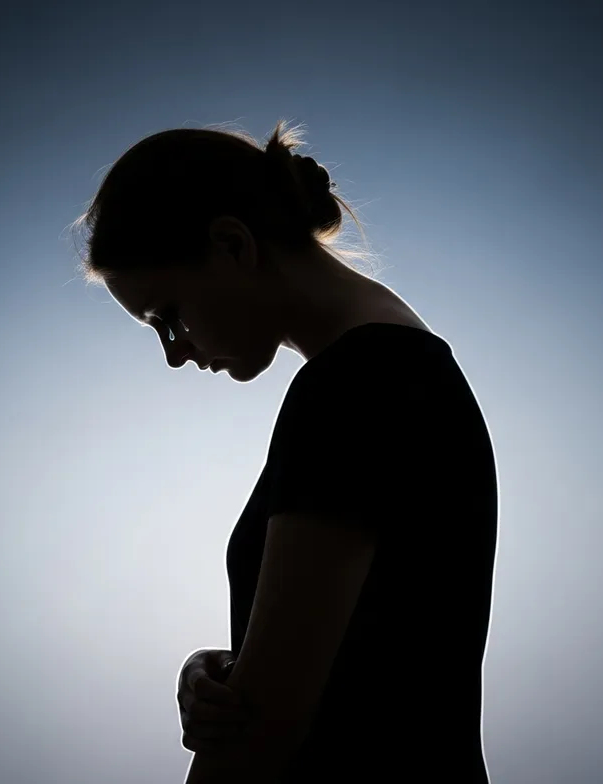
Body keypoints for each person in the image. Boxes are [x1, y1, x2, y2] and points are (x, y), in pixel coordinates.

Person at [70, 119, 498, 783]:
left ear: (232, 245)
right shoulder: (403, 375)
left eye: (169, 316)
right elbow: (382, 656)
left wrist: (246, 702)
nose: (176, 354)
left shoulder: (357, 387)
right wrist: (226, 667)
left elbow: (260, 739)